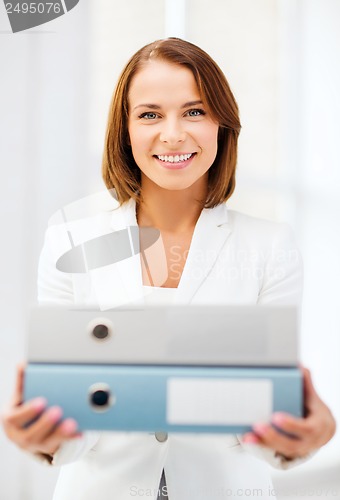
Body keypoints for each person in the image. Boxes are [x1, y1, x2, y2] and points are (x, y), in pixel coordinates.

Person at [1, 38, 336, 500]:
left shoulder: (269, 246)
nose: (173, 133)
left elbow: (265, 414)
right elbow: (74, 416)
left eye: (195, 111)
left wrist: (296, 439)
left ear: (222, 123)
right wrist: (50, 436)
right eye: (150, 114)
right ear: (126, 129)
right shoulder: (69, 242)